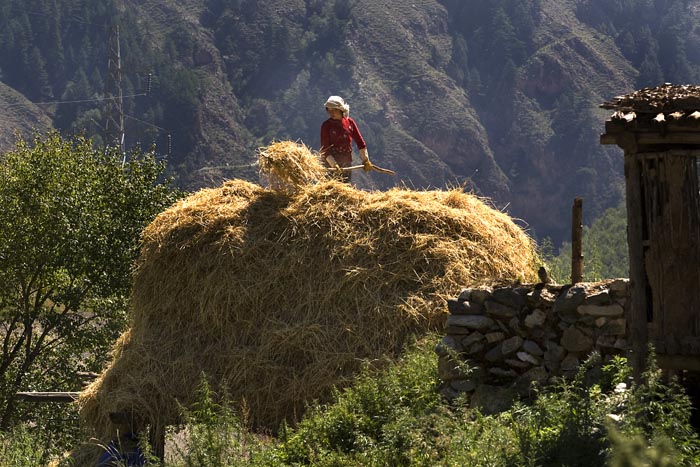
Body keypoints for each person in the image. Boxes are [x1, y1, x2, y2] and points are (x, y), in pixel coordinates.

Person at [320, 95, 372, 183]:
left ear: (340, 109)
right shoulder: (326, 126)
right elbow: (325, 149)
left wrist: (365, 160)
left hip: (346, 164)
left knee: (345, 187)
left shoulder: (350, 123)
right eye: (329, 110)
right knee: (330, 189)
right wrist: (334, 164)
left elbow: (360, 143)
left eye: (334, 110)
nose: (331, 113)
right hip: (330, 165)